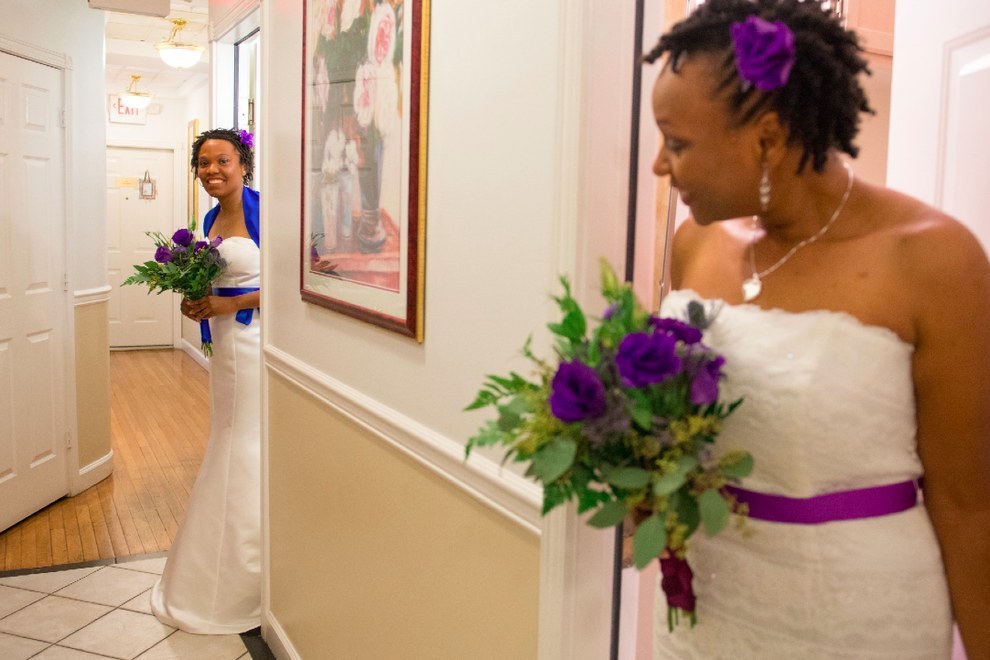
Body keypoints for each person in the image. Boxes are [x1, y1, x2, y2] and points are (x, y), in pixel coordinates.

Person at [645, 1, 990, 657]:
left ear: (768, 139)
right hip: (709, 607)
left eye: (678, 142)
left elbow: (970, 503)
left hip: (855, 618)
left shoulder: (934, 259)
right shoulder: (695, 244)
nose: (661, 165)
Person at [150, 128, 262, 634]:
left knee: (247, 438)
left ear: (243, 163)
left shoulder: (267, 210)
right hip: (224, 341)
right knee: (228, 432)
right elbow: (216, 279)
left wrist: (229, 303)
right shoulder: (213, 217)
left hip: (258, 340)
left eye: (222, 161)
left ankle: (250, 570)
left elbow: (294, 281)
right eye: (203, 163)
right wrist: (198, 299)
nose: (212, 171)